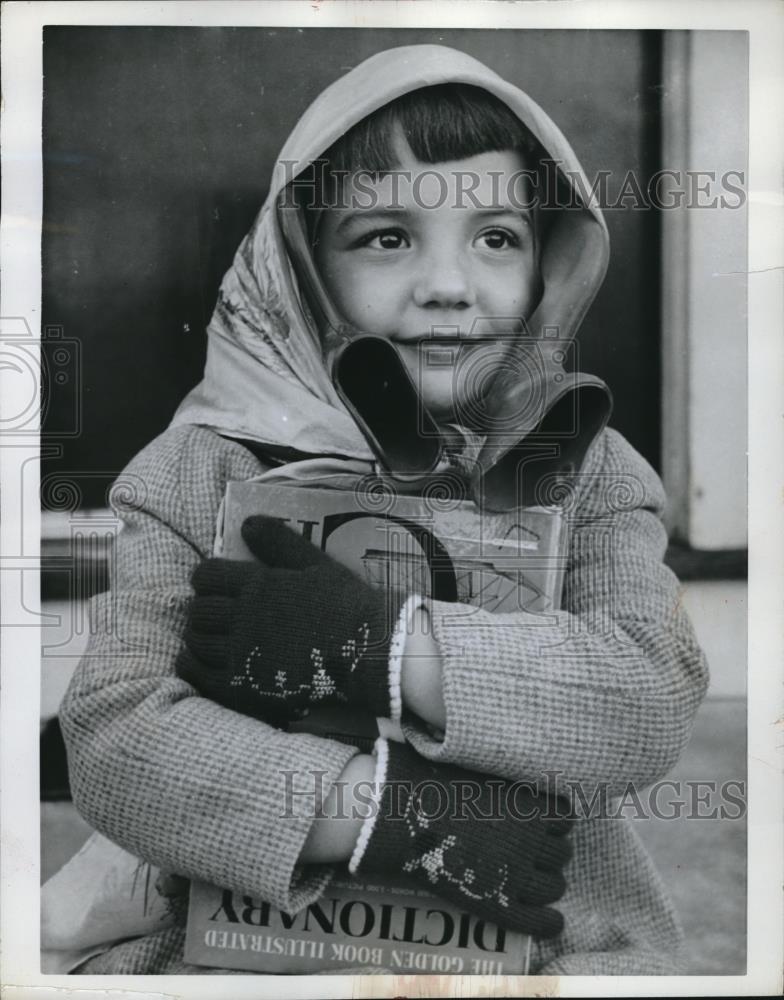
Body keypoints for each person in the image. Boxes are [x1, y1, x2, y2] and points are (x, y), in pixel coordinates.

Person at [58, 44, 709, 975]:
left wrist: (382, 647)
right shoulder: (199, 467)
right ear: (303, 269)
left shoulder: (590, 469)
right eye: (386, 236)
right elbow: (119, 737)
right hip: (242, 949)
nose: (449, 286)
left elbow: (646, 698)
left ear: (547, 266)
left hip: (543, 941)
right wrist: (389, 812)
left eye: (496, 238)